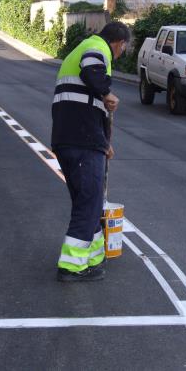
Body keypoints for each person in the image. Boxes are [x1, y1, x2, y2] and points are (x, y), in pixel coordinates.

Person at [52, 22, 130, 282]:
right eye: (123, 49)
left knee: (90, 201)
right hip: (81, 139)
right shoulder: (97, 48)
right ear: (119, 43)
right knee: (89, 202)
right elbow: (92, 71)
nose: (120, 54)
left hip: (71, 137)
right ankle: (71, 266)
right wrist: (108, 92)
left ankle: (95, 258)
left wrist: (104, 142)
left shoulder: (80, 49)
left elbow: (87, 105)